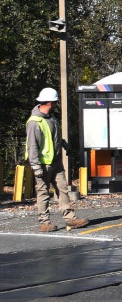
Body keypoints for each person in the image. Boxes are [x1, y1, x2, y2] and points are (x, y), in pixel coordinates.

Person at [26, 88, 89, 232]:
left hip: (56, 162)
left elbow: (54, 137)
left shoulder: (51, 118)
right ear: (49, 102)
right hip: (43, 164)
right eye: (55, 102)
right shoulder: (34, 122)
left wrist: (64, 144)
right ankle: (44, 222)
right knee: (43, 193)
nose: (56, 104)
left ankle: (70, 218)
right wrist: (36, 166)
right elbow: (32, 146)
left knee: (63, 189)